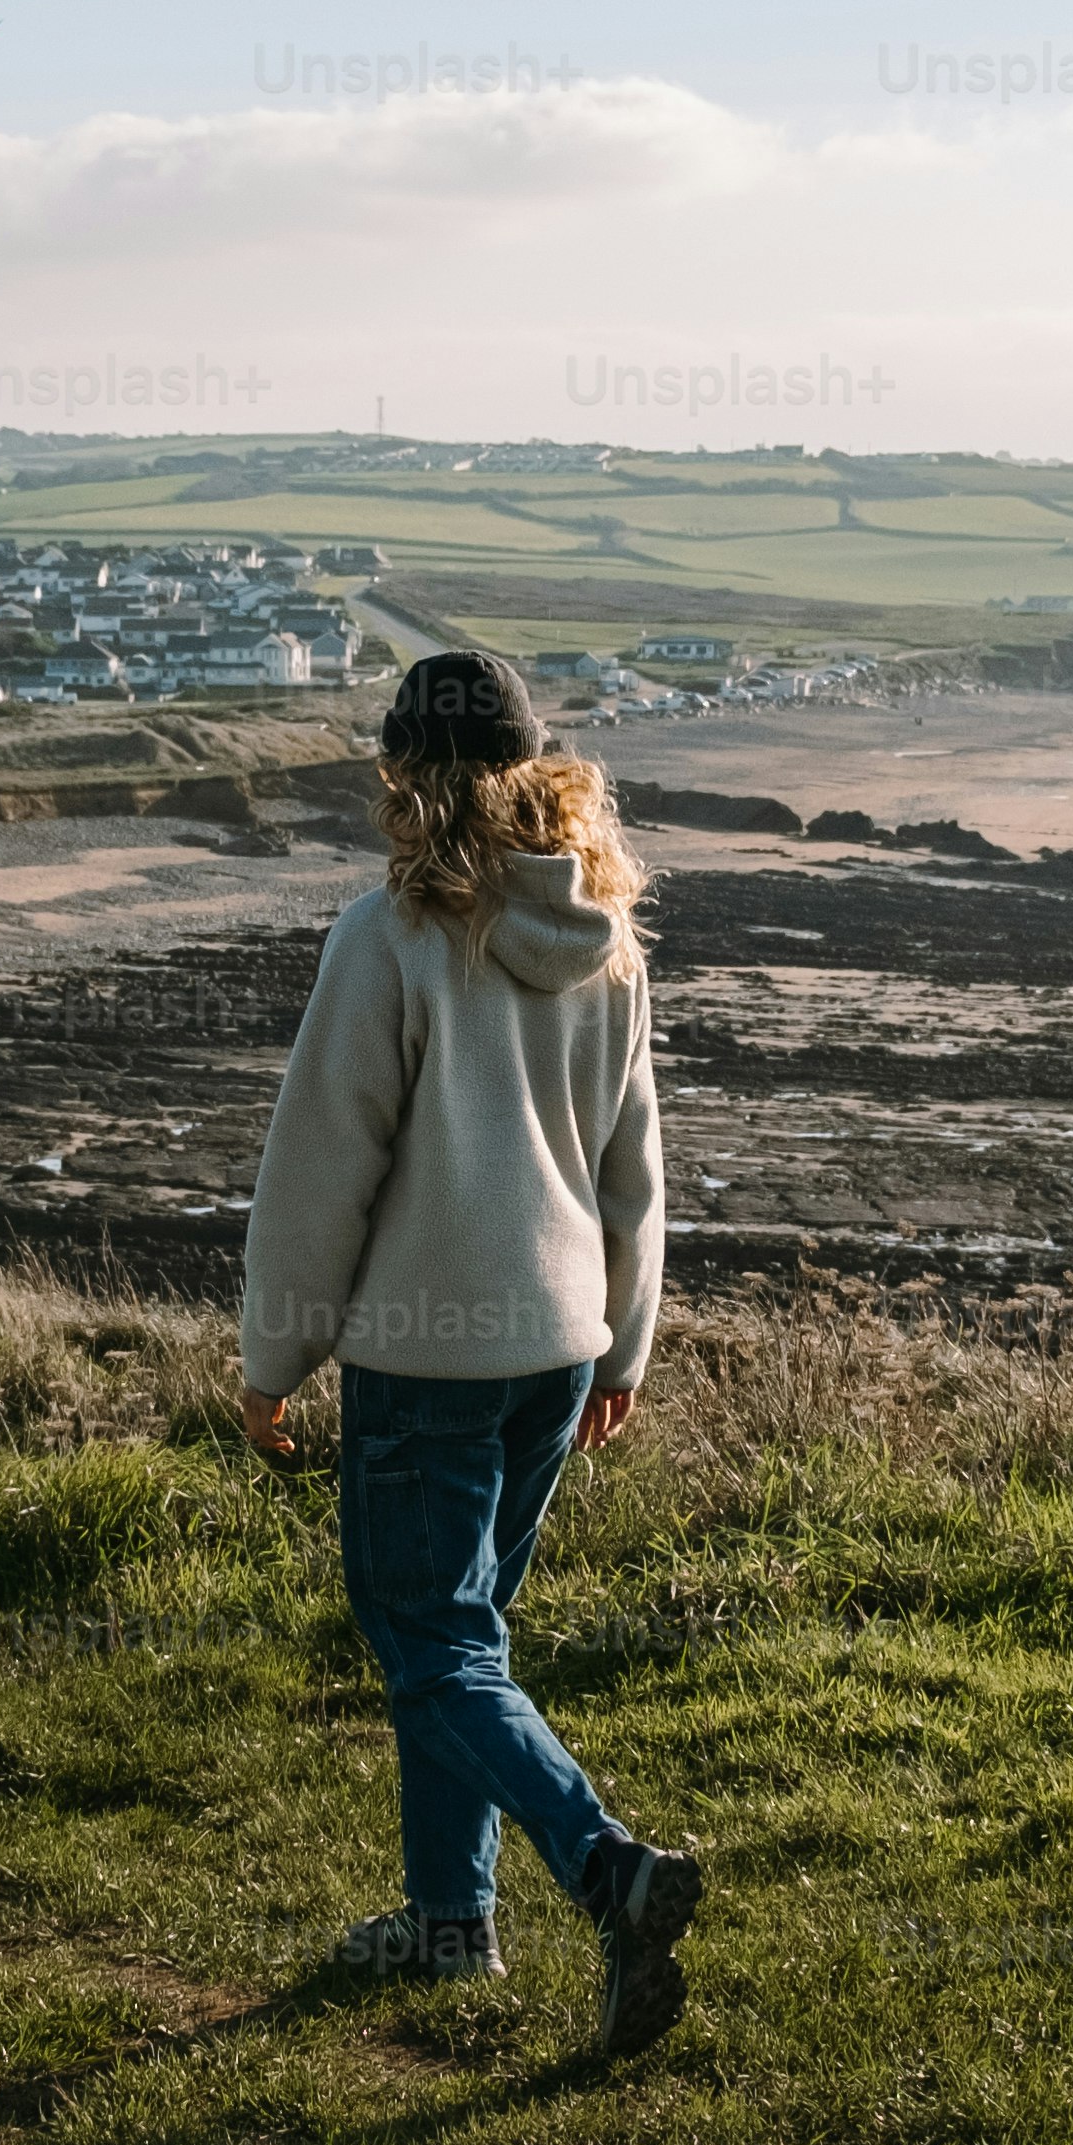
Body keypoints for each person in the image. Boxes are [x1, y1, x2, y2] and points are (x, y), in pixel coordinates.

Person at [239, 649, 709, 2052]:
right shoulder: (607, 943)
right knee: (462, 1648)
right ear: (536, 776)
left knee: (431, 1644)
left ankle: (608, 1870)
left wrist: (275, 1354)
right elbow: (635, 1170)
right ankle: (450, 1922)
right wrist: (624, 1346)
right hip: (555, 1354)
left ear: (406, 779)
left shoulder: (387, 940)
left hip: (425, 1360)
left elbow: (321, 1170)